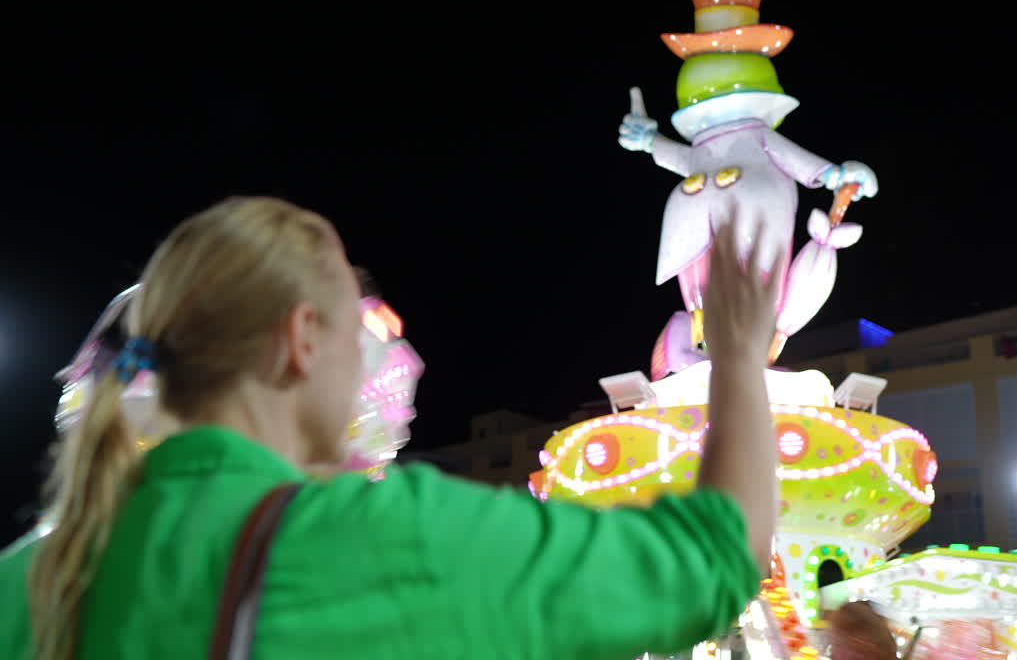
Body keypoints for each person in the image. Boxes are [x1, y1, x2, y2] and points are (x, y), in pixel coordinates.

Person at [0, 197, 782, 660]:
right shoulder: (381, 539)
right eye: (356, 335)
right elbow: (711, 562)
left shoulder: (29, 576)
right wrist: (740, 357)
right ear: (302, 340)